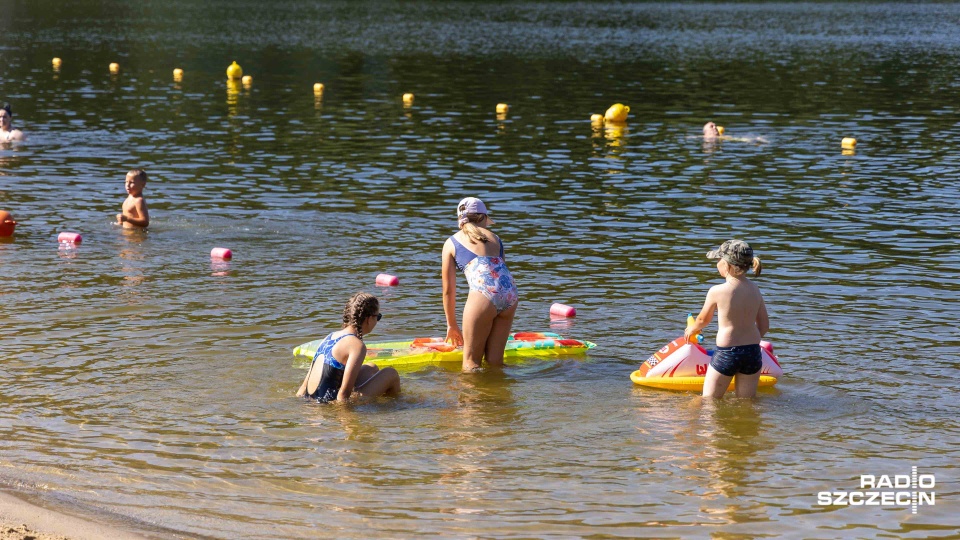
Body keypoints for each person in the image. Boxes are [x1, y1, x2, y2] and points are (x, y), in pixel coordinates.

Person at [441, 197, 519, 371]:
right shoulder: (496, 239)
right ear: (483, 218)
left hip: (484, 293)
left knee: (470, 364)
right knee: (494, 362)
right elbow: (499, 271)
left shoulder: (451, 242)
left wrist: (451, 325)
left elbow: (448, 290)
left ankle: (475, 398)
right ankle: (497, 395)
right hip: (510, 294)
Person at [685, 239, 769, 399]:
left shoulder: (717, 291)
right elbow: (764, 325)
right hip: (752, 353)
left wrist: (692, 329)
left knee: (709, 402)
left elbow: (703, 319)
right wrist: (746, 342)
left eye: (718, 259)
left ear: (728, 265)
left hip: (727, 354)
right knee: (746, 403)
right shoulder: (755, 289)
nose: (717, 263)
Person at [296, 292, 400, 403]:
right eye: (378, 317)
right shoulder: (357, 345)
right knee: (391, 374)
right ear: (369, 319)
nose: (377, 321)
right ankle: (395, 406)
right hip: (329, 404)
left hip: (310, 399)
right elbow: (344, 394)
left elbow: (303, 387)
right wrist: (347, 417)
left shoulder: (330, 336)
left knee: (371, 367)